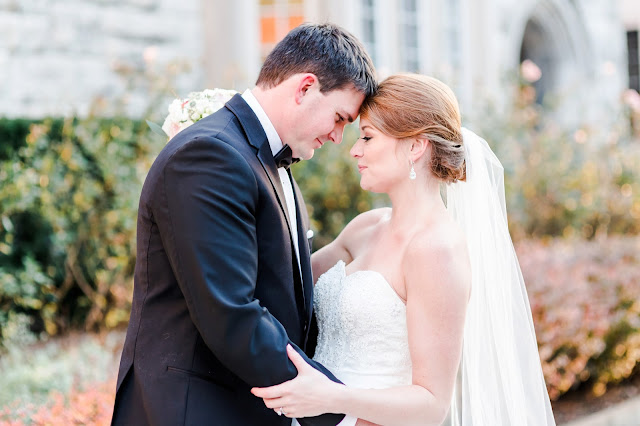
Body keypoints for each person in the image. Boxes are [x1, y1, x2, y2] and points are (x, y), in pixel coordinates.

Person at [252, 74, 556, 425]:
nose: (354, 150)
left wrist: (330, 397)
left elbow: (430, 403)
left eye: (367, 137)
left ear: (415, 146)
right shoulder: (365, 227)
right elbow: (285, 277)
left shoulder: (437, 250)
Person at [111, 23, 376, 426]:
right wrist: (334, 411)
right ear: (305, 87)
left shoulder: (268, 160)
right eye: (340, 118)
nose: (339, 137)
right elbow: (231, 313)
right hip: (193, 409)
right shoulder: (210, 156)